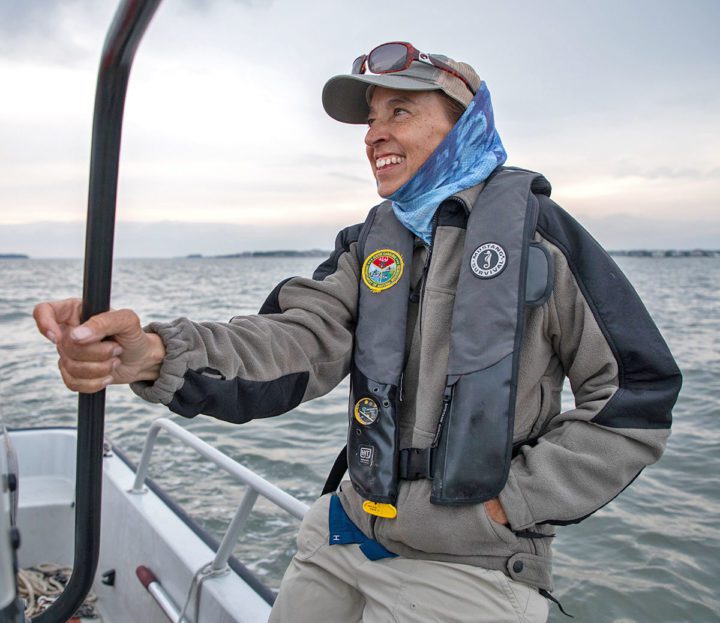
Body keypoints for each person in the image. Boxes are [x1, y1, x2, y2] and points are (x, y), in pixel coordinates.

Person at [34, 42, 682, 623]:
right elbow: (293, 340)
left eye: (399, 112)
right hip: (341, 535)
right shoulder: (369, 245)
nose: (374, 134)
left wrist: (513, 500)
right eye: (371, 120)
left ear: (465, 121)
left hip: (469, 570)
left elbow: (636, 393)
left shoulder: (542, 236)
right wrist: (152, 351)